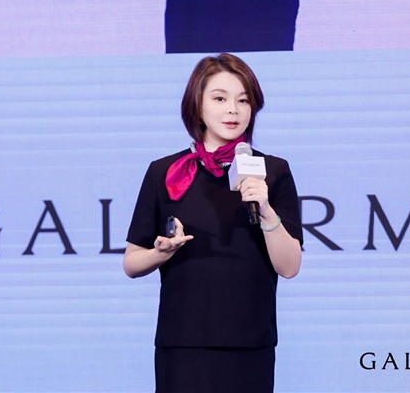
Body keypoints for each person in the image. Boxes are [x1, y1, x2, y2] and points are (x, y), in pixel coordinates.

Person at [123, 53, 303, 393]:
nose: (233, 110)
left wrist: (266, 210)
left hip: (250, 343)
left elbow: (290, 266)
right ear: (197, 106)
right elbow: (131, 263)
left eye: (243, 100)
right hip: (183, 344)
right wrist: (161, 253)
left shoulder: (273, 171)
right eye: (220, 99)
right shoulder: (165, 172)